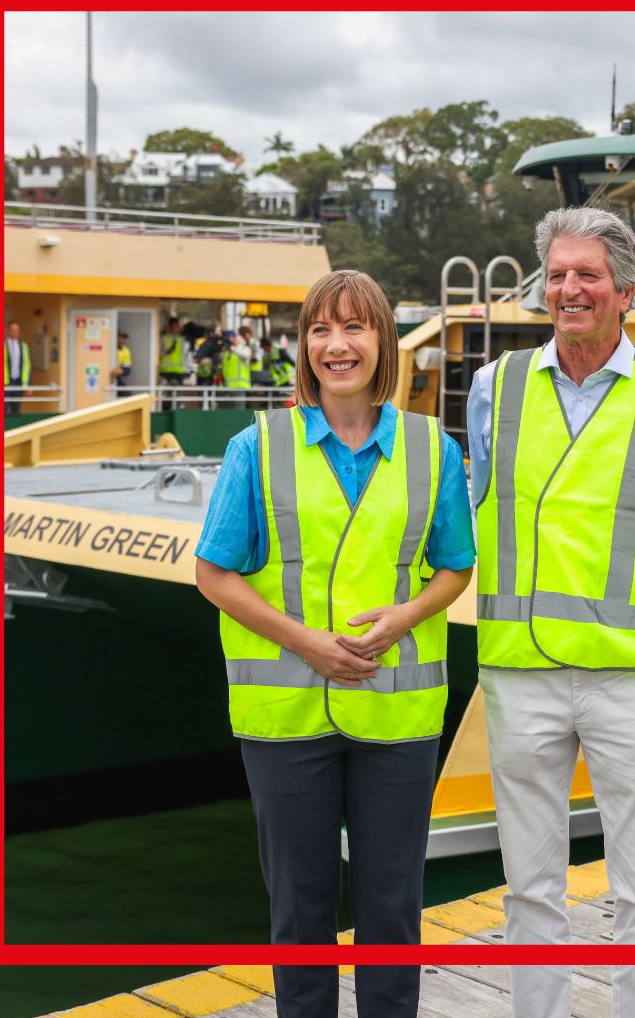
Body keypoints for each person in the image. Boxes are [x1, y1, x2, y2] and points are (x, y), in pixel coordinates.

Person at [195, 269, 475, 1018]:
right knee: (300, 912)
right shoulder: (256, 448)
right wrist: (308, 644)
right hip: (286, 718)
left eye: (354, 327)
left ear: (383, 340)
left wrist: (407, 615)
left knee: (393, 909)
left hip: (397, 715)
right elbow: (213, 573)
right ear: (304, 346)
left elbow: (456, 566)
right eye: (320, 329)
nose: (336, 344)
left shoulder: (432, 449)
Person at [467, 206, 635, 1018]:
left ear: (626, 292)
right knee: (529, 885)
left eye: (588, 274)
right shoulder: (494, 388)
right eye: (557, 274)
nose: (569, 289)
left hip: (633, 679)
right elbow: (482, 508)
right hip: (520, 674)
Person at [4, 320, 31, 415]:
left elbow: (27, 366)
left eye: (16, 330)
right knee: (3, 409)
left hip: (18, 382)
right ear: (8, 331)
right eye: (12, 330)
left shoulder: (23, 346)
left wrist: (28, 384)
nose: (14, 332)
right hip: (5, 383)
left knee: (16, 409)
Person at [220, 330, 252, 408]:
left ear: (234, 338)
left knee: (239, 410)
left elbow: (246, 355)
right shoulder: (226, 353)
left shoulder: (244, 348)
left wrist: (234, 348)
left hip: (240, 385)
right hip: (227, 386)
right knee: (229, 411)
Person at [112, 330, 132, 398]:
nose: (122, 340)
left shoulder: (125, 351)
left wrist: (121, 371)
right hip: (104, 377)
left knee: (128, 396)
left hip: (116, 378)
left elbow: (127, 369)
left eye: (124, 338)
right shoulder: (108, 347)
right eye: (120, 337)